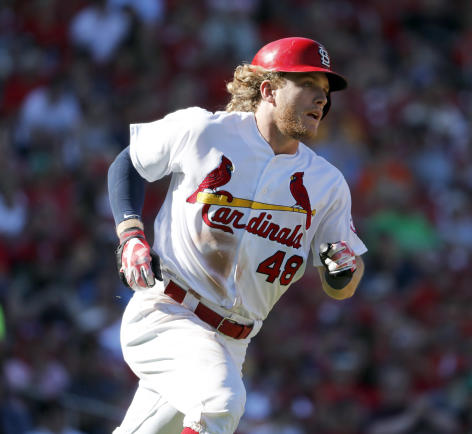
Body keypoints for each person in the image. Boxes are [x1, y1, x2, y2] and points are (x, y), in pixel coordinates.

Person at [107, 37, 367, 434]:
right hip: (168, 312)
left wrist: (343, 270)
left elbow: (342, 287)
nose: (321, 100)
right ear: (269, 89)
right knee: (222, 402)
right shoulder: (204, 130)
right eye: (308, 86)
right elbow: (130, 161)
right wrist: (130, 234)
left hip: (233, 342)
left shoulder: (326, 184)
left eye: (325, 92)